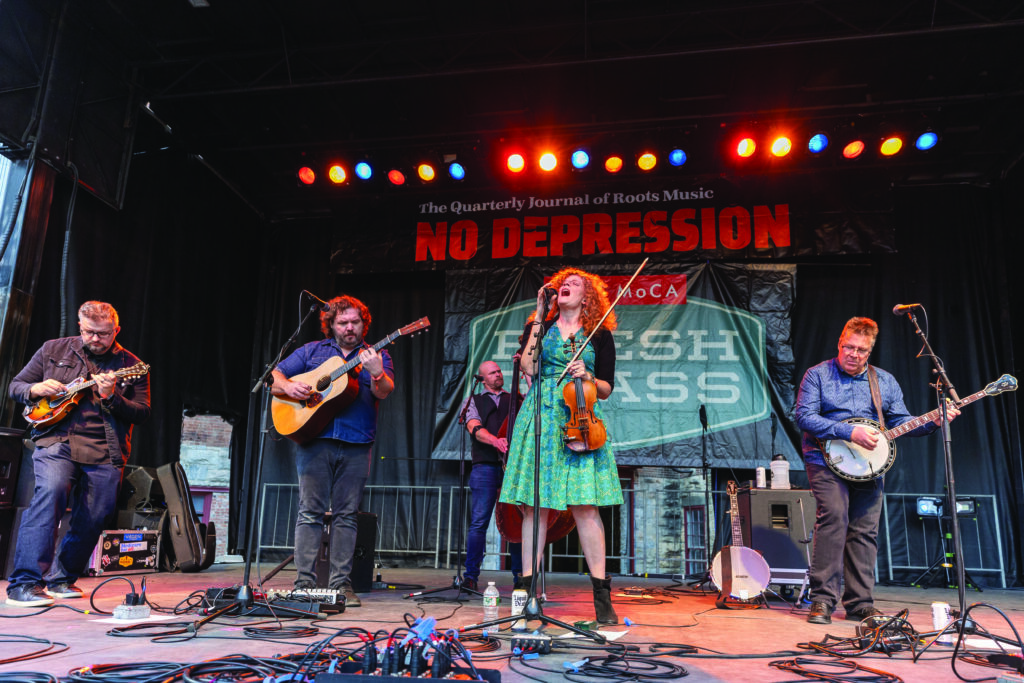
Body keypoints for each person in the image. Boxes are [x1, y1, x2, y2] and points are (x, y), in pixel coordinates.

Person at [794, 316, 959, 625]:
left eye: (861, 350)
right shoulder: (816, 375)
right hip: (824, 459)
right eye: (848, 347)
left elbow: (901, 422)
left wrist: (933, 422)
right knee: (834, 519)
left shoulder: (883, 381)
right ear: (839, 343)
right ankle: (822, 601)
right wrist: (848, 432)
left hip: (870, 467)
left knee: (865, 530)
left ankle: (859, 604)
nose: (853, 354)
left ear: (870, 351)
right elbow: (804, 417)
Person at [6, 301, 151, 607]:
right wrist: (36, 390)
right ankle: (25, 584)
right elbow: (15, 386)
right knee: (51, 495)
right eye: (89, 332)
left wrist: (112, 397)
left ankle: (62, 579)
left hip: (105, 447)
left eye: (103, 334)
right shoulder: (53, 350)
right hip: (56, 441)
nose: (96, 339)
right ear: (79, 326)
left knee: (95, 515)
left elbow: (142, 412)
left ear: (116, 330)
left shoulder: (132, 364)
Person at [499, 268, 622, 624]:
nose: (565, 286)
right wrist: (539, 314)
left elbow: (607, 388)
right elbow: (527, 366)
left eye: (575, 284)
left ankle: (602, 598)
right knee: (533, 507)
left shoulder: (600, 335)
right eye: (562, 283)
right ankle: (525, 594)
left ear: (588, 296)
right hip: (539, 415)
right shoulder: (540, 326)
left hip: (579, 418)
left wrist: (588, 376)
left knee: (585, 506)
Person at [271, 295, 394, 608]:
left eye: (355, 322)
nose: (350, 327)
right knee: (309, 512)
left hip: (356, 443)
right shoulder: (312, 351)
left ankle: (341, 586)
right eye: (343, 322)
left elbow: (384, 391)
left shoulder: (375, 354)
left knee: (346, 516)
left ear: (364, 324)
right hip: (315, 441)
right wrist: (288, 387)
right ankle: (303, 585)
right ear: (331, 325)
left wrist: (378, 372)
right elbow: (275, 375)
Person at [461, 360, 523, 591]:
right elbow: (474, 427)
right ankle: (470, 576)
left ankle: (520, 576)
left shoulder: (515, 399)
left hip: (513, 468)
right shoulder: (474, 401)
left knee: (517, 522)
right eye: (492, 373)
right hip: (484, 466)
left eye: (499, 371)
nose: (498, 374)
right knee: (479, 522)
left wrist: (526, 374)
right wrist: (495, 440)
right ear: (483, 379)